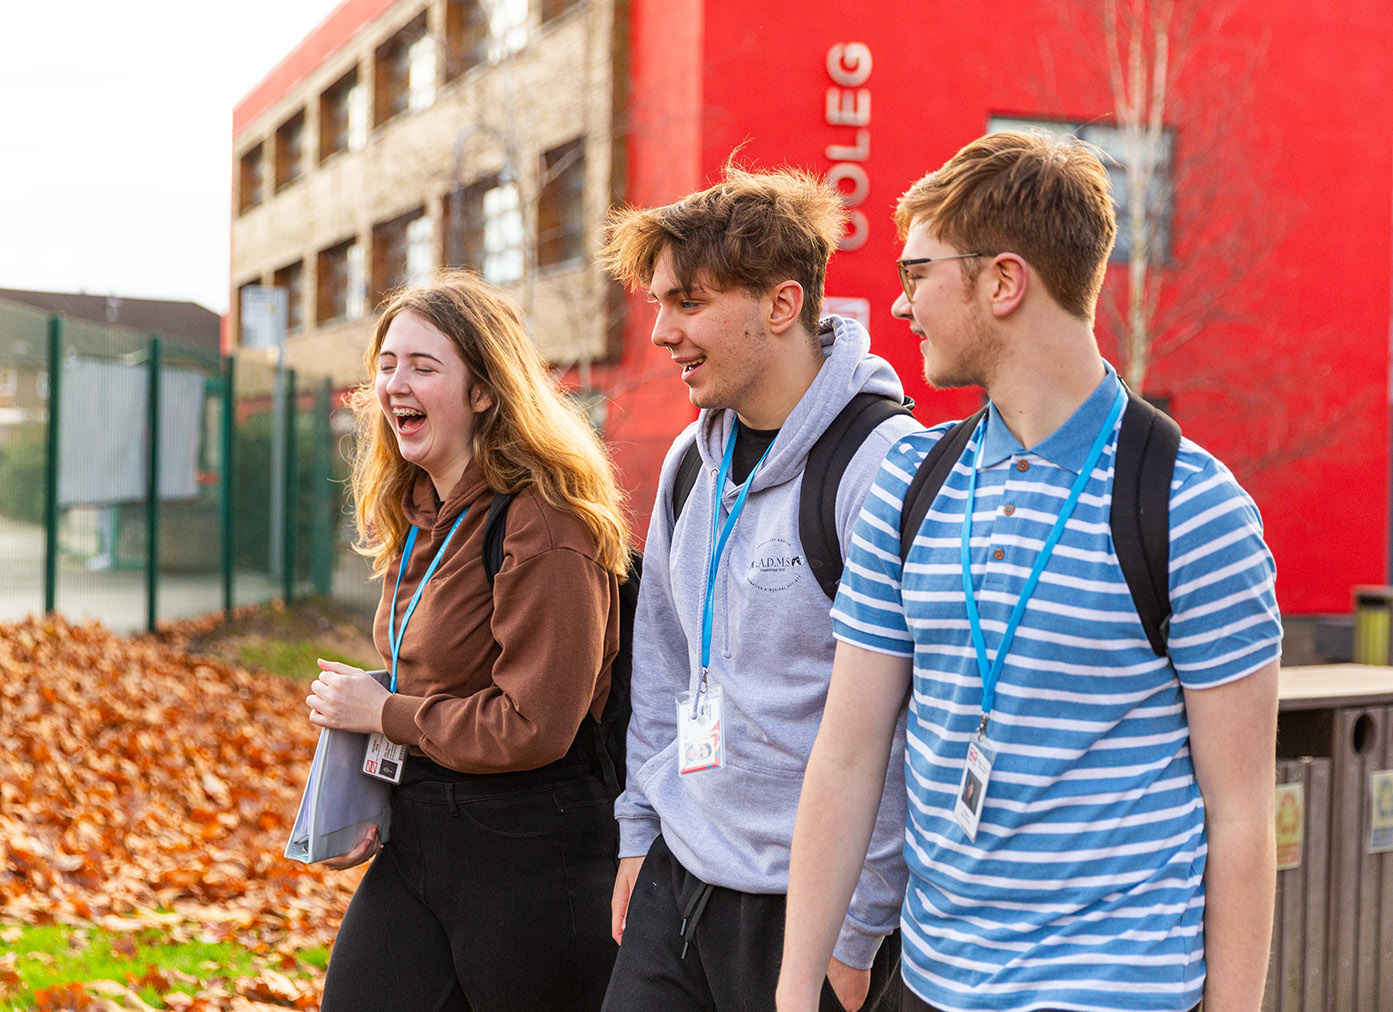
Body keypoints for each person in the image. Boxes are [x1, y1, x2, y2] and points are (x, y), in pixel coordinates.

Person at [778, 131, 1282, 1012]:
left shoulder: (1190, 508)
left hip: (1115, 993)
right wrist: (789, 994)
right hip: (929, 983)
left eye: (917, 273)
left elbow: (1240, 818)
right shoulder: (907, 481)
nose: (899, 307)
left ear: (1003, 282)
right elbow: (848, 756)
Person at [597, 164, 920, 1012]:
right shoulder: (686, 464)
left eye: (688, 303)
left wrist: (856, 925)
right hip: (679, 873)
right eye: (659, 302)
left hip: (807, 905)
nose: (662, 331)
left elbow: (908, 718)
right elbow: (661, 667)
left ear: (781, 306)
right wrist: (640, 836)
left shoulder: (879, 465)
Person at [303, 269, 630, 1012]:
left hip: (531, 852)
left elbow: (535, 725)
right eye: (386, 365)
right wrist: (371, 787)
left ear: (484, 391)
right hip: (423, 833)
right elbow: (425, 682)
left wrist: (382, 715)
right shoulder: (419, 511)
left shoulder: (545, 523)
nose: (394, 384)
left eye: (423, 366)